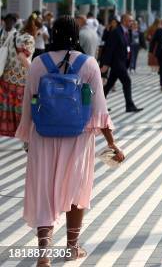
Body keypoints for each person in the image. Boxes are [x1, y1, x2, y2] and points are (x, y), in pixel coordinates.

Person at [16, 16, 125, 266]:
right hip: (78, 138)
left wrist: (27, 134)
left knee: (44, 191)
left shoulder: (37, 63)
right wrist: (112, 143)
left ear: (53, 33)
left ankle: (43, 254)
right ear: (76, 34)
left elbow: (28, 104)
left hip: (43, 136)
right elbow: (100, 110)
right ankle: (71, 248)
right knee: (76, 189)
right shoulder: (88, 64)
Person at [0, 14, 38, 138]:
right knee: (21, 108)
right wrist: (34, 72)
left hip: (7, 77)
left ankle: (8, 131)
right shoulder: (30, 39)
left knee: (7, 107)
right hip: (21, 80)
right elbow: (23, 57)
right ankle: (24, 137)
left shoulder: (14, 35)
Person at [100, 14, 143, 113]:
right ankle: (129, 105)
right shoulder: (116, 32)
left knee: (109, 84)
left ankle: (98, 104)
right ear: (124, 21)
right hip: (117, 63)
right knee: (127, 81)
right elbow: (109, 48)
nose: (132, 23)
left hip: (123, 62)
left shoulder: (128, 31)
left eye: (132, 21)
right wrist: (105, 64)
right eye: (130, 21)